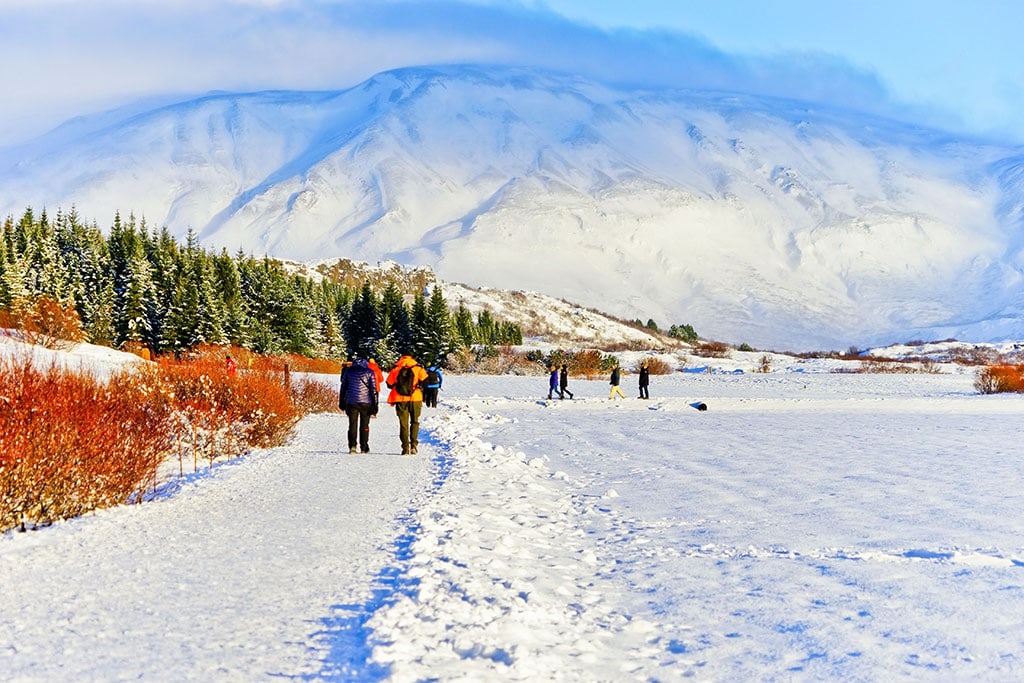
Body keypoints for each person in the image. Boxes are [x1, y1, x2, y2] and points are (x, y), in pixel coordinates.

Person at [386, 352, 429, 455]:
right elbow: (426, 382)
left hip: (400, 399)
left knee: (403, 424)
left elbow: (389, 384)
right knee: (415, 421)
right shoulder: (418, 368)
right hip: (415, 398)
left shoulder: (396, 369)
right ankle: (414, 445)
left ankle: (405, 447)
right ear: (412, 357)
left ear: (402, 357)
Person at [339, 357, 379, 454]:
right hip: (366, 402)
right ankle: (364, 447)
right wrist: (375, 404)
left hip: (351, 401)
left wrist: (342, 401)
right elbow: (373, 389)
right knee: (365, 425)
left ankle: (352, 446)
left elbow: (343, 387)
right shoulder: (369, 372)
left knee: (352, 424)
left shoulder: (348, 371)